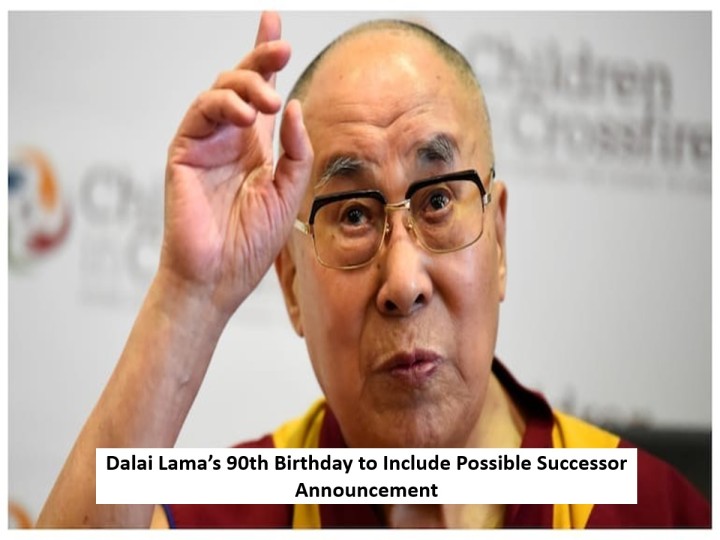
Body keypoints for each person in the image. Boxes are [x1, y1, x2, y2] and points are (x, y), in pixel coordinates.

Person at [36, 12, 709, 529]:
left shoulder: (645, 510)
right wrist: (191, 292)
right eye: (353, 214)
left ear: (499, 241)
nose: (404, 283)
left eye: (438, 201)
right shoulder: (244, 508)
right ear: (291, 285)